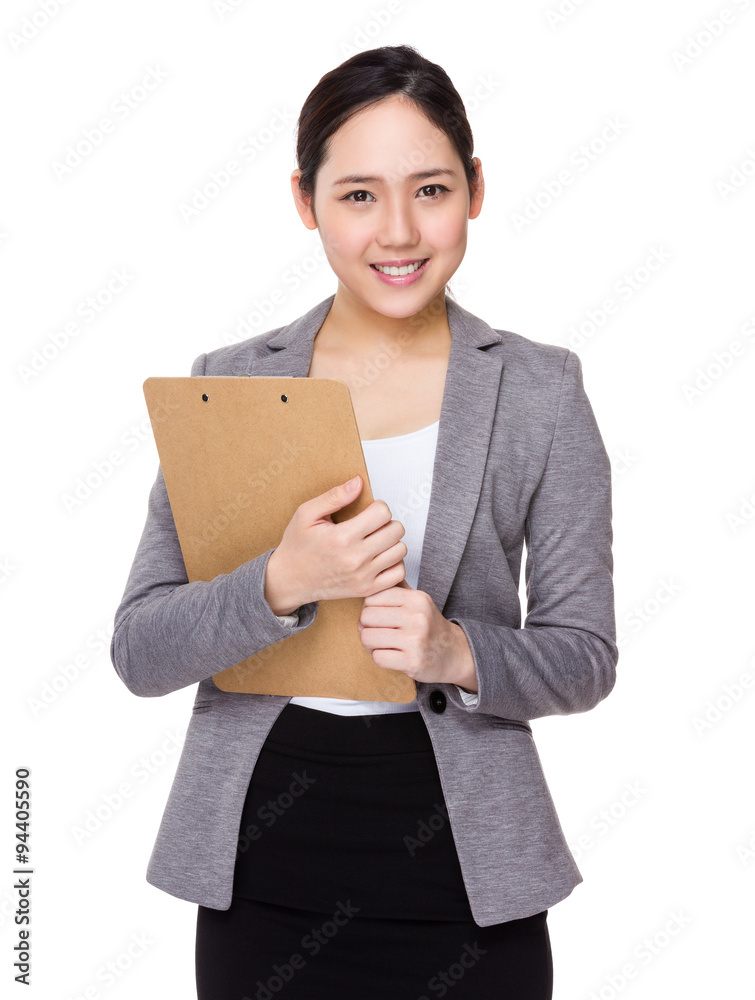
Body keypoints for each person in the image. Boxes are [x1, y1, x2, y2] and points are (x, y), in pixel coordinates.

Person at [110, 44, 618, 1000]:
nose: (398, 231)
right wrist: (279, 585)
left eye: (430, 190)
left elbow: (584, 656)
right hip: (262, 867)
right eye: (356, 195)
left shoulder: (541, 391)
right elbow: (140, 650)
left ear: (474, 189)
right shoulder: (231, 381)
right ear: (304, 201)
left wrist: (457, 650)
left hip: (466, 871)